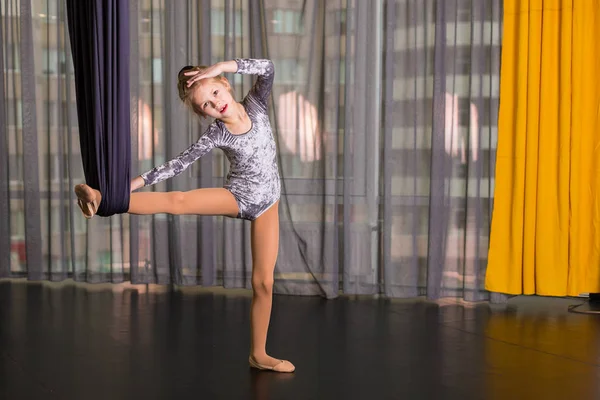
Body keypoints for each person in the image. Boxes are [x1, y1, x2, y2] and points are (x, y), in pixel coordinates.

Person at [74, 58, 295, 373]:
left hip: (269, 202)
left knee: (263, 283)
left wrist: (221, 66)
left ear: (225, 84)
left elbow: (269, 67)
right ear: (200, 112)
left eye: (216, 93)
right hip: (239, 197)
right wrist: (126, 186)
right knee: (178, 200)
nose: (214, 103)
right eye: (205, 104)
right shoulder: (217, 134)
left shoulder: (256, 105)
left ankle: (258, 354)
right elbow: (173, 166)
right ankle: (105, 199)